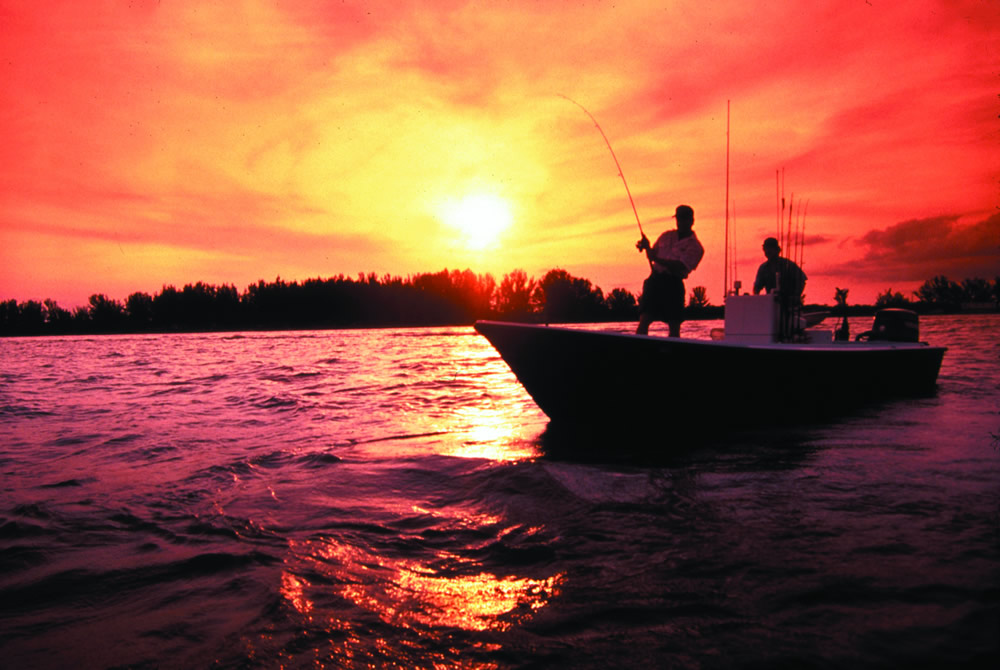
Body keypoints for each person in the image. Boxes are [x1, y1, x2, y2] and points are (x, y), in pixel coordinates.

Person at [635, 204, 704, 337]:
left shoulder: (696, 247)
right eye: (679, 219)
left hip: (674, 283)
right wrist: (646, 246)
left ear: (692, 221)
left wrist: (657, 259)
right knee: (645, 318)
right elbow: (653, 254)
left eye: (684, 219)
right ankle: (639, 348)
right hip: (655, 280)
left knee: (674, 324)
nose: (680, 222)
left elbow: (680, 266)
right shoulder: (666, 236)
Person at [752, 237, 806, 302]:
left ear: (777, 250)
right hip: (772, 304)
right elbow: (757, 287)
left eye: (771, 248)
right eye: (766, 249)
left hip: (789, 304)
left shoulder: (789, 265)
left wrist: (795, 296)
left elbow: (802, 280)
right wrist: (756, 300)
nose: (768, 251)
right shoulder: (763, 268)